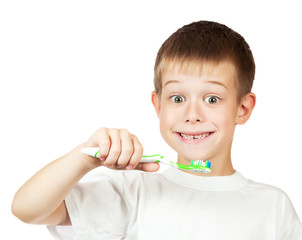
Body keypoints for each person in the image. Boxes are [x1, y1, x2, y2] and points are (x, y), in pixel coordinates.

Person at [12, 20, 302, 239]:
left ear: (242, 109)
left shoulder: (272, 206)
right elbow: (27, 209)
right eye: (177, 98)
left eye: (212, 99)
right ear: (158, 105)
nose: (192, 115)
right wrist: (84, 158)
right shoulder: (134, 193)